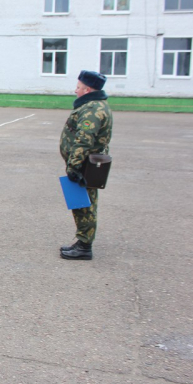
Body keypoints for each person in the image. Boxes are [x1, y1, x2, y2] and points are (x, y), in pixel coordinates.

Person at [59, 70, 113, 260]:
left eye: (78, 87)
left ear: (87, 89)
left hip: (85, 165)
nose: (76, 90)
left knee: (84, 205)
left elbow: (84, 139)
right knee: (82, 203)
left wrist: (74, 166)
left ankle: (84, 246)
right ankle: (82, 241)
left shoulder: (92, 109)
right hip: (87, 163)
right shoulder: (95, 105)